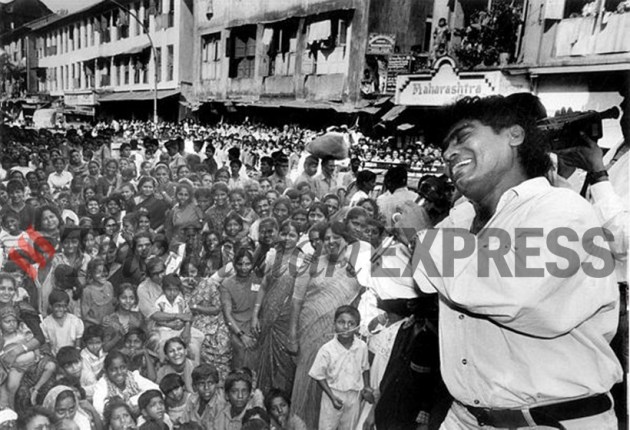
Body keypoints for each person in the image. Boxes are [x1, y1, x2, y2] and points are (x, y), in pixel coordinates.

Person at [403, 95, 622, 428]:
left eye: (462, 136)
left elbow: (517, 295)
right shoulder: (461, 218)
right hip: (465, 417)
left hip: (552, 420)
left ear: (514, 135)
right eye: (444, 148)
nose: (448, 154)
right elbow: (404, 283)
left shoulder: (562, 208)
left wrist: (423, 239)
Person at [288, 222, 363, 429]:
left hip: (338, 338)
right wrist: (292, 336)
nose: (331, 242)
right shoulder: (311, 264)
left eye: (336, 237)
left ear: (346, 240)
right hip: (308, 334)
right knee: (307, 383)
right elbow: (296, 300)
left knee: (331, 388)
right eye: (327, 238)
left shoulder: (356, 268)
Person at [308, 305, 371, 430]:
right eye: (341, 322)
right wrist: (331, 396)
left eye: (351, 323)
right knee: (327, 427)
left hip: (354, 395)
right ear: (334, 324)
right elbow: (319, 375)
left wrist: (366, 387)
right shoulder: (327, 350)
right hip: (333, 394)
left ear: (357, 327)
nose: (346, 327)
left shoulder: (362, 347)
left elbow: (365, 368)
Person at [92, 350, 159, 416]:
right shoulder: (103, 384)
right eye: (113, 369)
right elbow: (98, 408)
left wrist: (139, 404)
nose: (119, 372)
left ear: (127, 367)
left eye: (123, 367)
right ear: (106, 371)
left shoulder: (133, 376)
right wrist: (127, 407)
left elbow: (156, 389)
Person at [183, 364, 224, 429]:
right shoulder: (192, 399)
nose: (206, 387)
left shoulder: (220, 405)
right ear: (195, 386)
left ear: (216, 384)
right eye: (201, 383)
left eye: (210, 383)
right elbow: (184, 423)